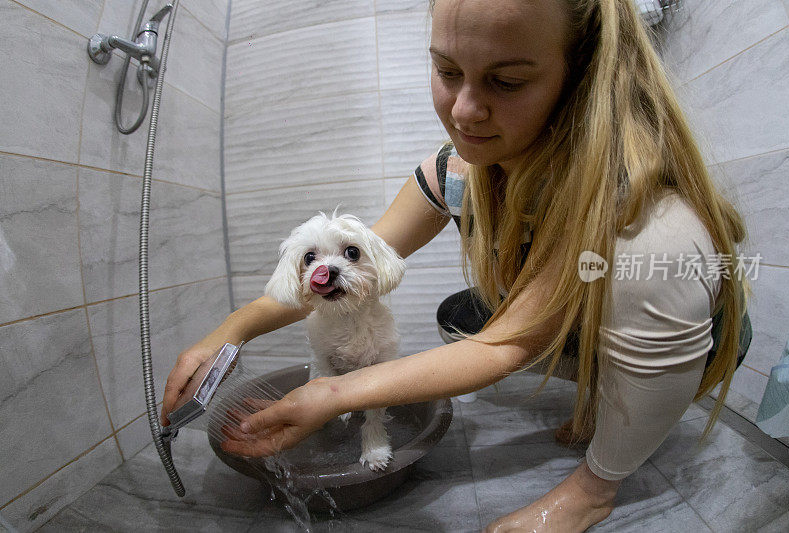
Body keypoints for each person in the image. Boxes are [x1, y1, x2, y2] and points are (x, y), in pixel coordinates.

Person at [162, 0, 750, 530]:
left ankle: (596, 486)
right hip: (571, 316)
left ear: (581, 78)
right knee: (461, 315)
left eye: (507, 80)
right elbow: (354, 267)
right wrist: (230, 331)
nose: (463, 111)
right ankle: (597, 393)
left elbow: (507, 343)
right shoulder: (454, 173)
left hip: (680, 334)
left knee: (643, 270)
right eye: (446, 71)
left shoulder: (634, 206)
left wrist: (335, 393)